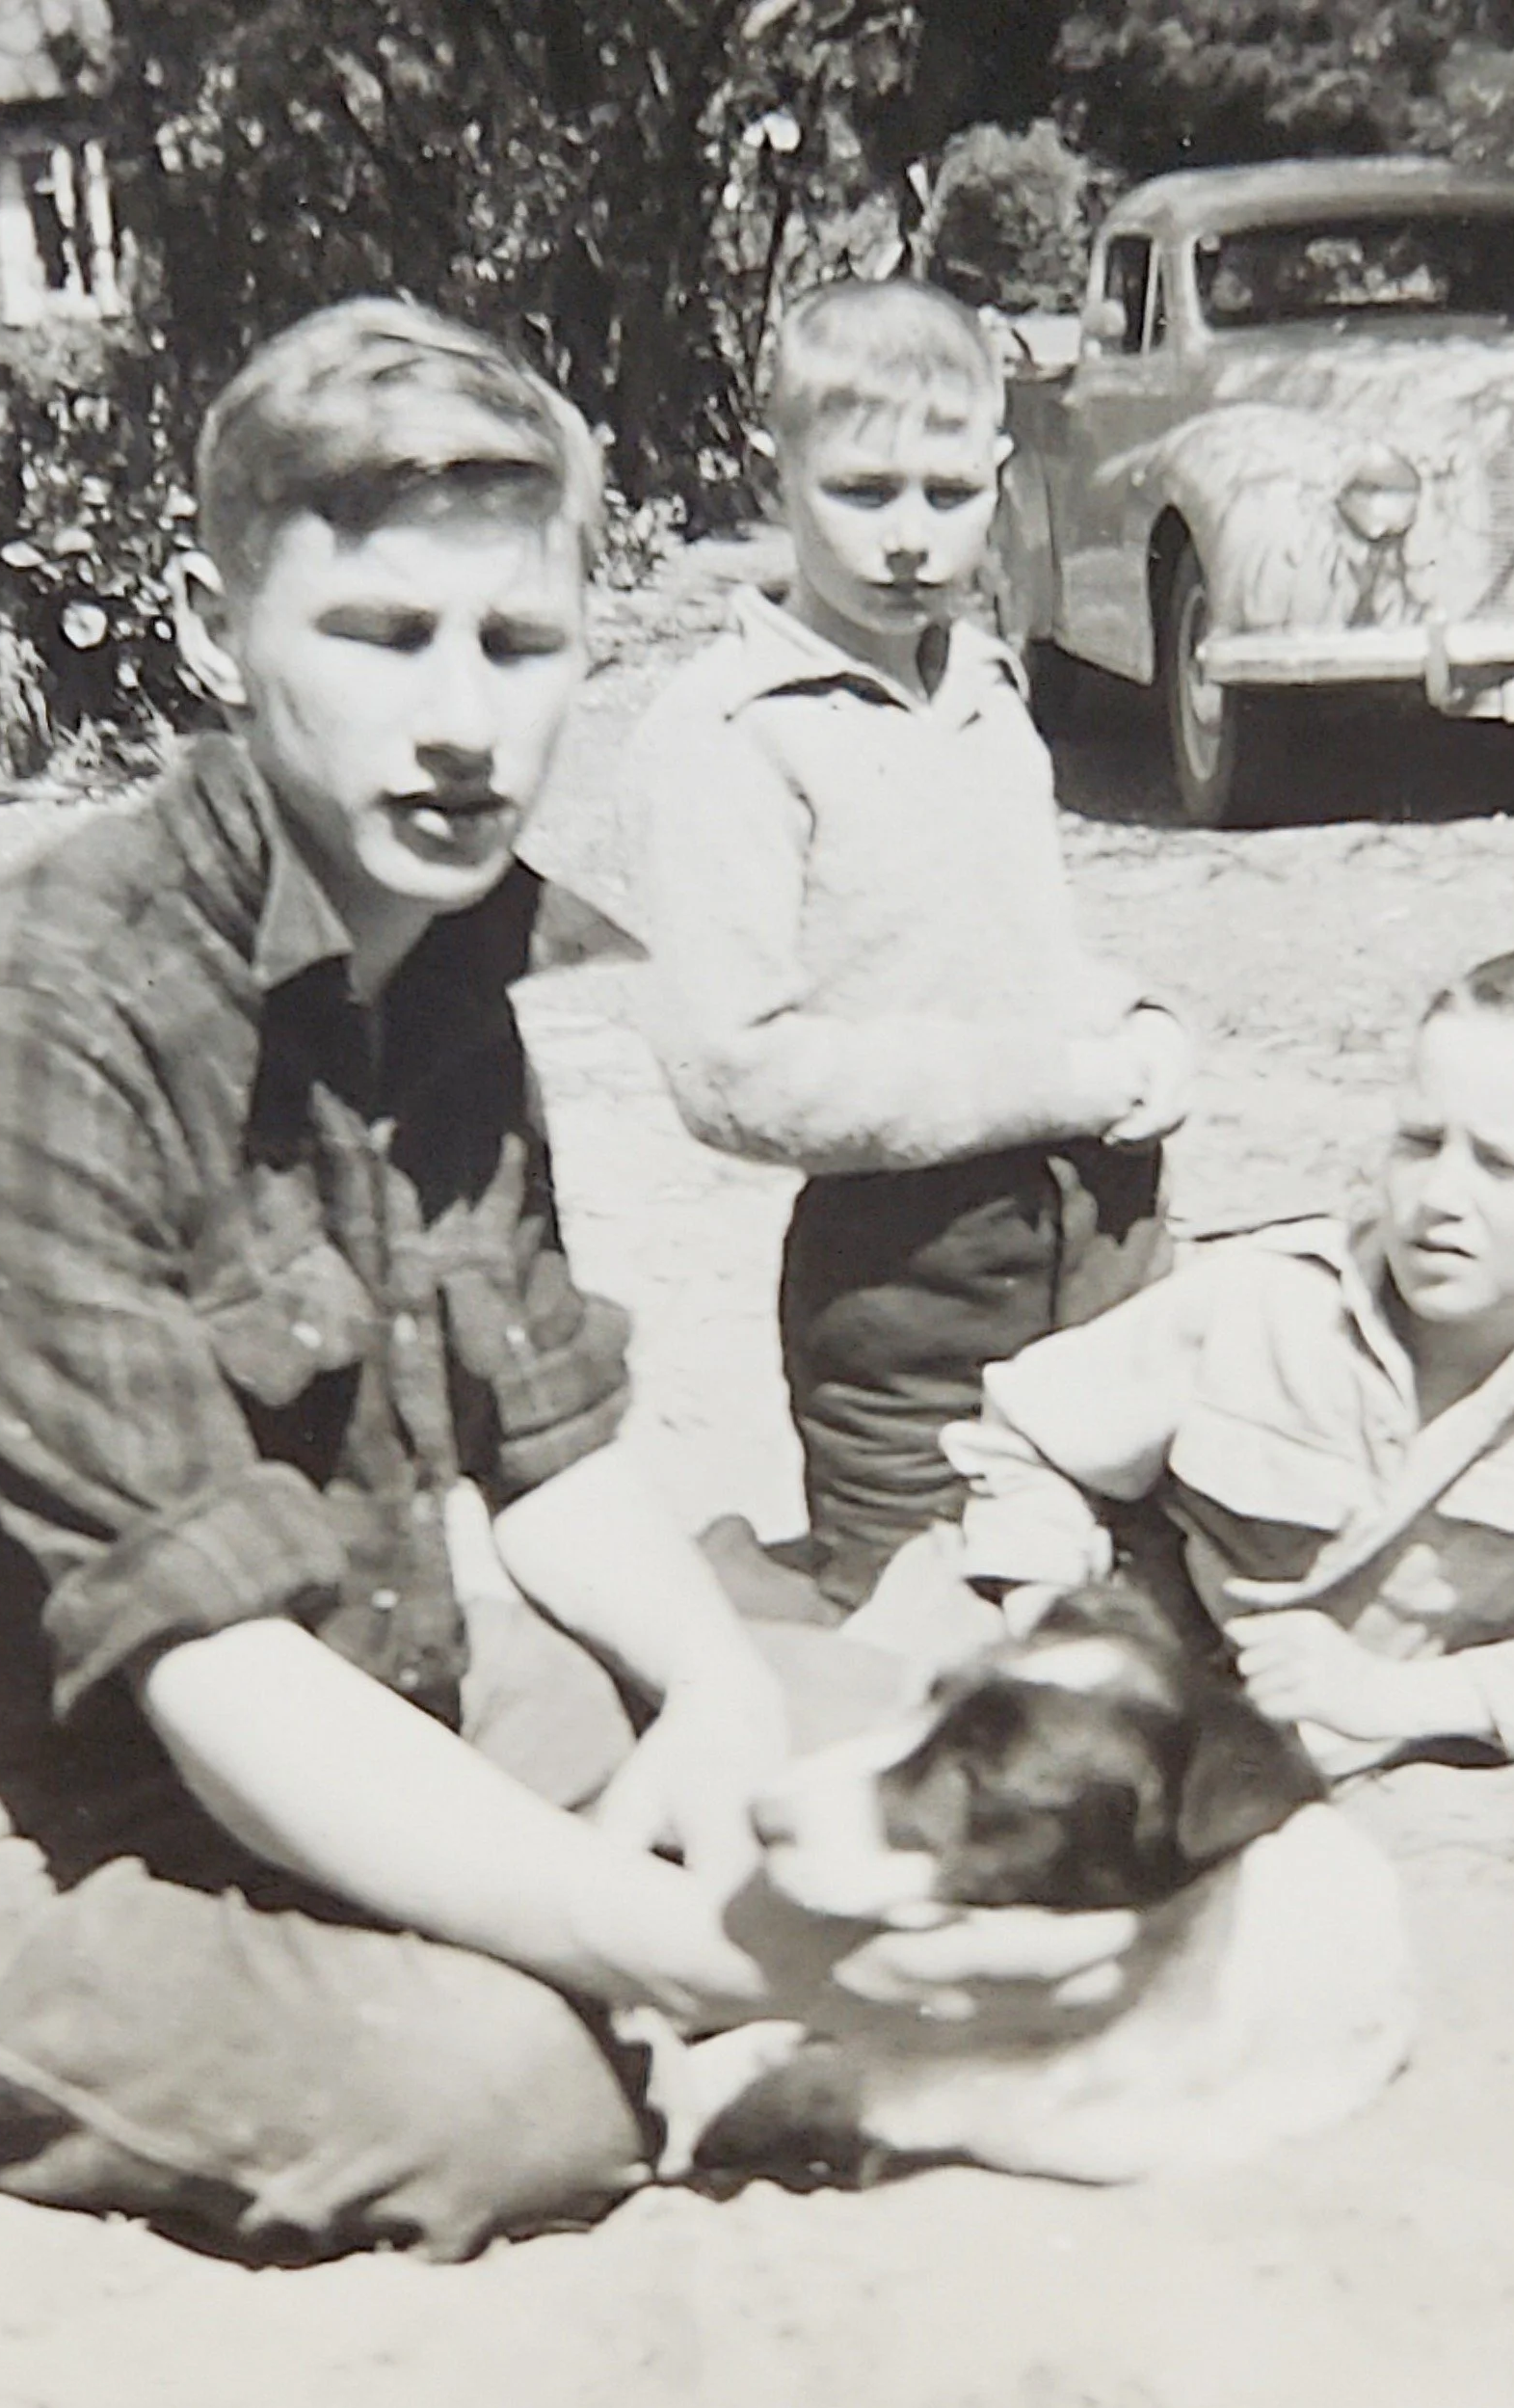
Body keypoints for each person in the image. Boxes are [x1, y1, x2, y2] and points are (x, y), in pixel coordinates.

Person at [0, 301, 1129, 2265]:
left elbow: (544, 1447)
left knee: (894, 1750)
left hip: (386, 1679)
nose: (463, 720)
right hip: (19, 1825)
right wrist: (691, 1948)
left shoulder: (443, 968)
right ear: (216, 632)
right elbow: (216, 1673)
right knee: (523, 2094)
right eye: (382, 636)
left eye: (518, 642)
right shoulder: (7, 1032)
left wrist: (717, 1682)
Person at [622, 277, 1192, 1619]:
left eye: (948, 494)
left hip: (1103, 1228)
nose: (907, 539)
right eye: (862, 491)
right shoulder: (729, 732)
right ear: (775, 468)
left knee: (1135, 1611)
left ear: (999, 470)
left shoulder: (984, 682)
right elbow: (731, 1072)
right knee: (922, 1634)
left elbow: (1022, 951)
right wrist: (1053, 1082)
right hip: (910, 1268)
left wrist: (1141, 1025)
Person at [941, 946, 1514, 1778]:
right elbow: (1024, 1437)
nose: (1437, 1197)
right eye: (1419, 1141)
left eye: (1504, 1166)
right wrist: (1051, 1618)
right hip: (1163, 1689)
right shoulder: (1265, 1299)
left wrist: (1394, 1698)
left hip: (1429, 1763)